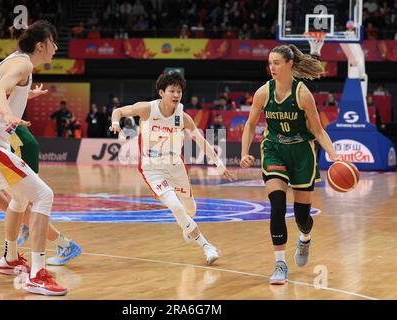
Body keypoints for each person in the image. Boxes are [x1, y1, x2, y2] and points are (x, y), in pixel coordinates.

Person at [0, 20, 67, 295]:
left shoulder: (15, 62)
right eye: (53, 42)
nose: (56, 47)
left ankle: (10, 258)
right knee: (44, 196)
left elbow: (1, 87)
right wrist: (7, 114)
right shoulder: (24, 64)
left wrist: (26, 94)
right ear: (41, 45)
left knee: (19, 197)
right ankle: (37, 274)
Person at [110, 72, 236, 265]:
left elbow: (201, 141)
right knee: (176, 207)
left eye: (179, 91)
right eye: (172, 91)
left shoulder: (183, 117)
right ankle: (206, 246)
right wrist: (115, 123)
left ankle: (188, 228)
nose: (176, 95)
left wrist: (219, 163)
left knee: (190, 209)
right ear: (162, 92)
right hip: (152, 167)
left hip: (176, 165)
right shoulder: (146, 109)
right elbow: (118, 111)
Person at [240, 44, 340, 285]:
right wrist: (244, 152)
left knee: (301, 216)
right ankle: (280, 264)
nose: (271, 67)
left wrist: (335, 156)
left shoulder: (303, 94)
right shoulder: (263, 92)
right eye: (269, 63)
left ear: (289, 65)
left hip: (302, 153)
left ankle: (305, 237)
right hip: (274, 149)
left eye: (276, 63)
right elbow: (251, 124)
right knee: (276, 204)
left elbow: (318, 131)